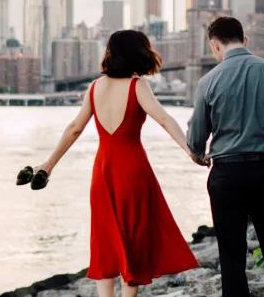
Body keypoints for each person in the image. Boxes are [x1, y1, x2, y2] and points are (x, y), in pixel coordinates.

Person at [33, 30, 199, 297]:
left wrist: (49, 164)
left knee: (105, 241)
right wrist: (190, 151)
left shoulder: (95, 87)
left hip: (103, 172)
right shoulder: (137, 86)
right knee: (132, 241)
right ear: (139, 53)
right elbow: (166, 120)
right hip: (133, 171)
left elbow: (75, 128)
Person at [187, 17, 264, 297]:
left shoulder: (207, 82)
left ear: (214, 45)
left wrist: (198, 155)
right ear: (246, 40)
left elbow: (196, 138)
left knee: (231, 258)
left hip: (226, 176)